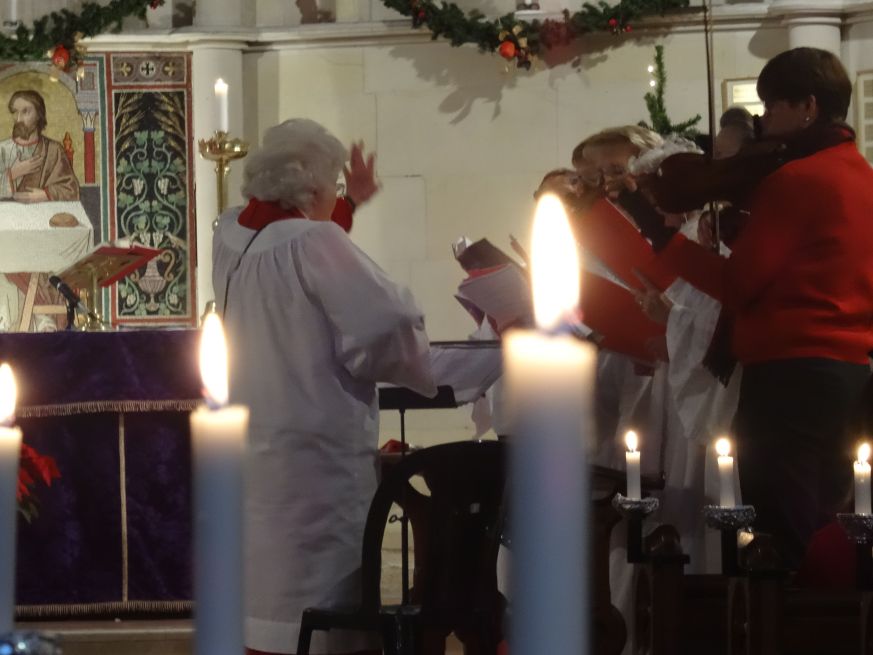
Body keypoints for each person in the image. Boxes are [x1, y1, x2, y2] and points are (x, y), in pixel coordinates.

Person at [213, 118, 436, 655]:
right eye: (334, 185)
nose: (338, 195)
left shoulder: (228, 233)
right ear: (311, 189)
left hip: (257, 437)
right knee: (322, 591)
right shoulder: (315, 240)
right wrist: (398, 362)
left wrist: (347, 204)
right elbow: (387, 320)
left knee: (267, 587)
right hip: (317, 448)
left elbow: (290, 247)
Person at [648, 47, 873, 568]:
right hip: (850, 376)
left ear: (808, 108)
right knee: (829, 524)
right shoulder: (862, 176)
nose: (763, 117)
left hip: (789, 378)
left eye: (772, 105)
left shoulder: (795, 180)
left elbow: (739, 284)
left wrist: (672, 245)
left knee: (779, 534)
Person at [0, 90, 79, 202]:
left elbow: (71, 190)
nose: (18, 119)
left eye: (25, 112)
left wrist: (45, 195)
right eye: (15, 112)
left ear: (39, 115)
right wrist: (13, 173)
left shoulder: (54, 150)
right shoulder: (2, 149)